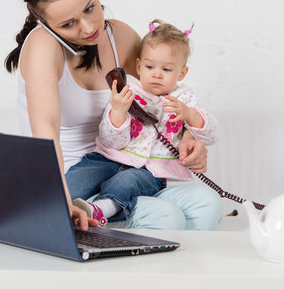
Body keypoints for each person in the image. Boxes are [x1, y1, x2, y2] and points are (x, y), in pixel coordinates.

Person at [4, 0, 222, 230]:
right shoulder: (42, 46)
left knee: (208, 204)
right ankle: (93, 216)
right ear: (45, 22)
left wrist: (191, 137)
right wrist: (58, 200)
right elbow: (45, 130)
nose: (88, 26)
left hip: (130, 169)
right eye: (68, 24)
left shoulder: (120, 36)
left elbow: (164, 95)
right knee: (166, 216)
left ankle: (110, 220)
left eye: (89, 8)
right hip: (73, 177)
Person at [68, 19, 219, 225]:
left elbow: (211, 134)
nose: (156, 74)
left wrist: (190, 115)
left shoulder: (184, 99)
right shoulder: (128, 91)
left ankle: (100, 209)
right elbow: (111, 141)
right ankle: (47, 210)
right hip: (107, 158)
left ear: (181, 73)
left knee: (127, 182)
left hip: (149, 171)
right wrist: (119, 111)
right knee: (79, 179)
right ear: (138, 66)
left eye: (166, 70)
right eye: (150, 66)